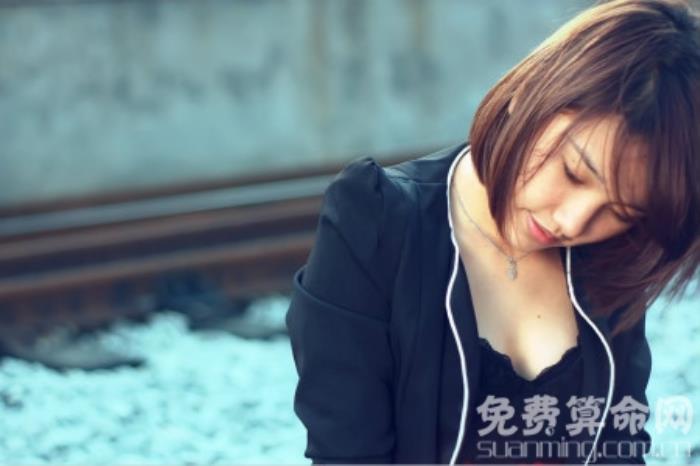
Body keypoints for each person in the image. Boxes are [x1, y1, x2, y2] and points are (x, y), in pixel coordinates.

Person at [285, 0, 700, 464]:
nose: (573, 222)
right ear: (532, 94)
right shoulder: (376, 221)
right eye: (574, 173)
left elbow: (619, 446)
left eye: (620, 211)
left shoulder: (611, 255)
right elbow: (347, 449)